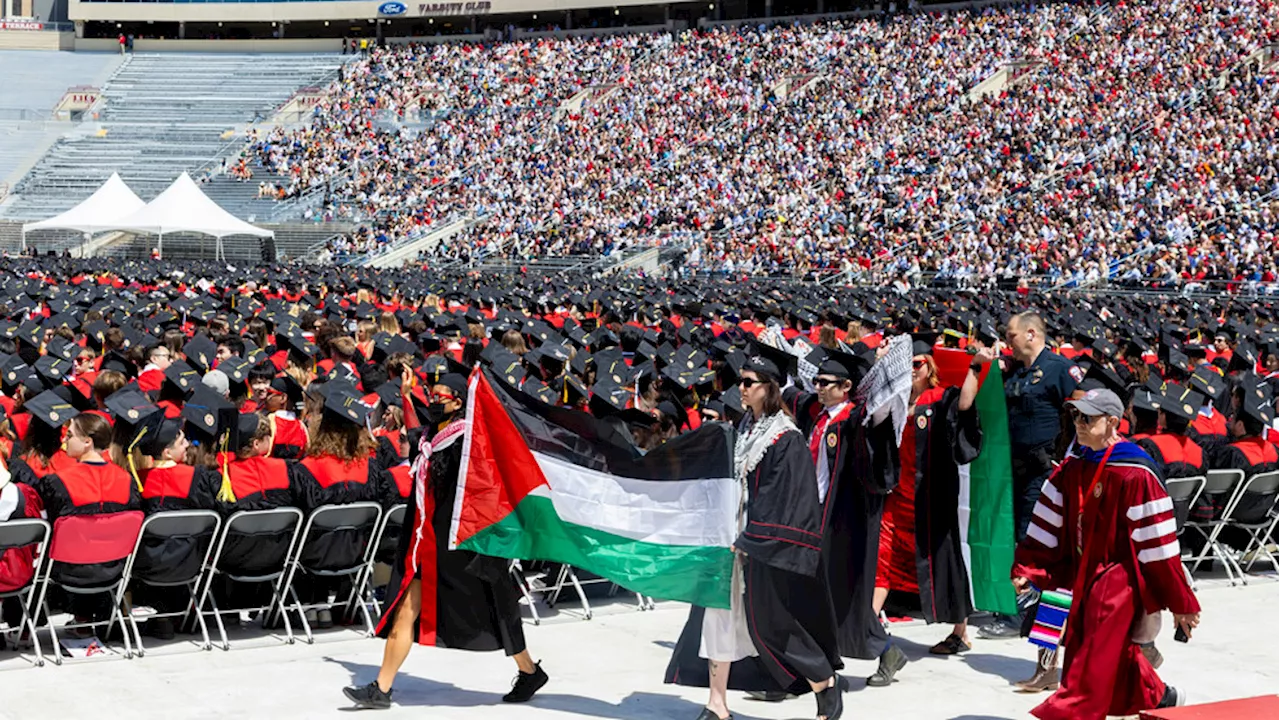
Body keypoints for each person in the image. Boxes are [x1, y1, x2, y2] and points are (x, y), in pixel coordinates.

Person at [343, 373, 548, 710]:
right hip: (427, 542)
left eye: (441, 397)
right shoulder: (432, 435)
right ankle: (381, 688)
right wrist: (407, 397)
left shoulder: (469, 439)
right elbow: (416, 439)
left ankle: (529, 671)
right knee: (404, 612)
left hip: (465, 544)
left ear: (457, 401)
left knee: (498, 608)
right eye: (431, 395)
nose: (434, 401)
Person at [665, 358, 844, 720]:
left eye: (750, 382)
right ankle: (717, 705)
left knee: (773, 625)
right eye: (741, 381)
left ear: (770, 387)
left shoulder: (785, 437)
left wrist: (751, 540)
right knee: (717, 616)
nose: (742, 388)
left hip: (761, 547)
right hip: (728, 540)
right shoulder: (744, 426)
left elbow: (788, 499)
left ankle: (824, 683)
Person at [1012, 388, 1199, 719]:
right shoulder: (1072, 469)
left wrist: (1181, 603)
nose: (1079, 424)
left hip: (1118, 581)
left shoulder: (1135, 471)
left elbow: (1158, 547)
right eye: (1075, 417)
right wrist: (1029, 568)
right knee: (1108, 654)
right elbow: (1048, 525)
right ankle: (1160, 699)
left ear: (1113, 422)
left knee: (1086, 666)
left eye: (1087, 417)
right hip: (1080, 574)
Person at [980, 312, 1081, 696]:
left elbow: (1083, 416)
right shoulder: (1016, 371)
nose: (1008, 343)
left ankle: (1046, 658)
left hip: (1046, 480)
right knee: (1030, 563)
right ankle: (1044, 663)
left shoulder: (1059, 370)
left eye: (1011, 336)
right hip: (1015, 476)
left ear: (1032, 333)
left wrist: (1064, 463)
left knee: (1040, 567)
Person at [875, 343, 989, 657]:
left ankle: (960, 632)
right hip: (897, 493)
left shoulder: (939, 398)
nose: (912, 370)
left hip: (931, 495)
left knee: (944, 558)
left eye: (918, 364)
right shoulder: (896, 401)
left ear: (930, 368)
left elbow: (965, 405)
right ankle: (870, 621)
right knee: (885, 555)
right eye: (907, 364)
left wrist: (975, 368)